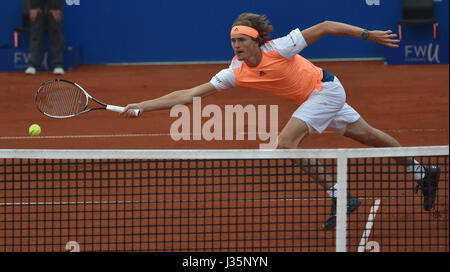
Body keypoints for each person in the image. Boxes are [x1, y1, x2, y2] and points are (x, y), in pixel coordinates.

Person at [121, 13, 440, 230]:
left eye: (241, 41)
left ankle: (340, 195)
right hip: (315, 98)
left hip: (326, 91)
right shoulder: (234, 71)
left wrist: (369, 35)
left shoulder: (280, 48)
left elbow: (326, 25)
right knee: (368, 136)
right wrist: (142, 106)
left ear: (255, 40)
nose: (236, 47)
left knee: (286, 142)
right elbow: (189, 93)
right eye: (233, 42)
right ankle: (423, 172)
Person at [25, 0, 65, 75]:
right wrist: (33, 7)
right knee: (35, 32)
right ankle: (33, 65)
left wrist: (56, 7)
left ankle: (57, 64)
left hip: (54, 4)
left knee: (55, 30)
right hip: (37, 5)